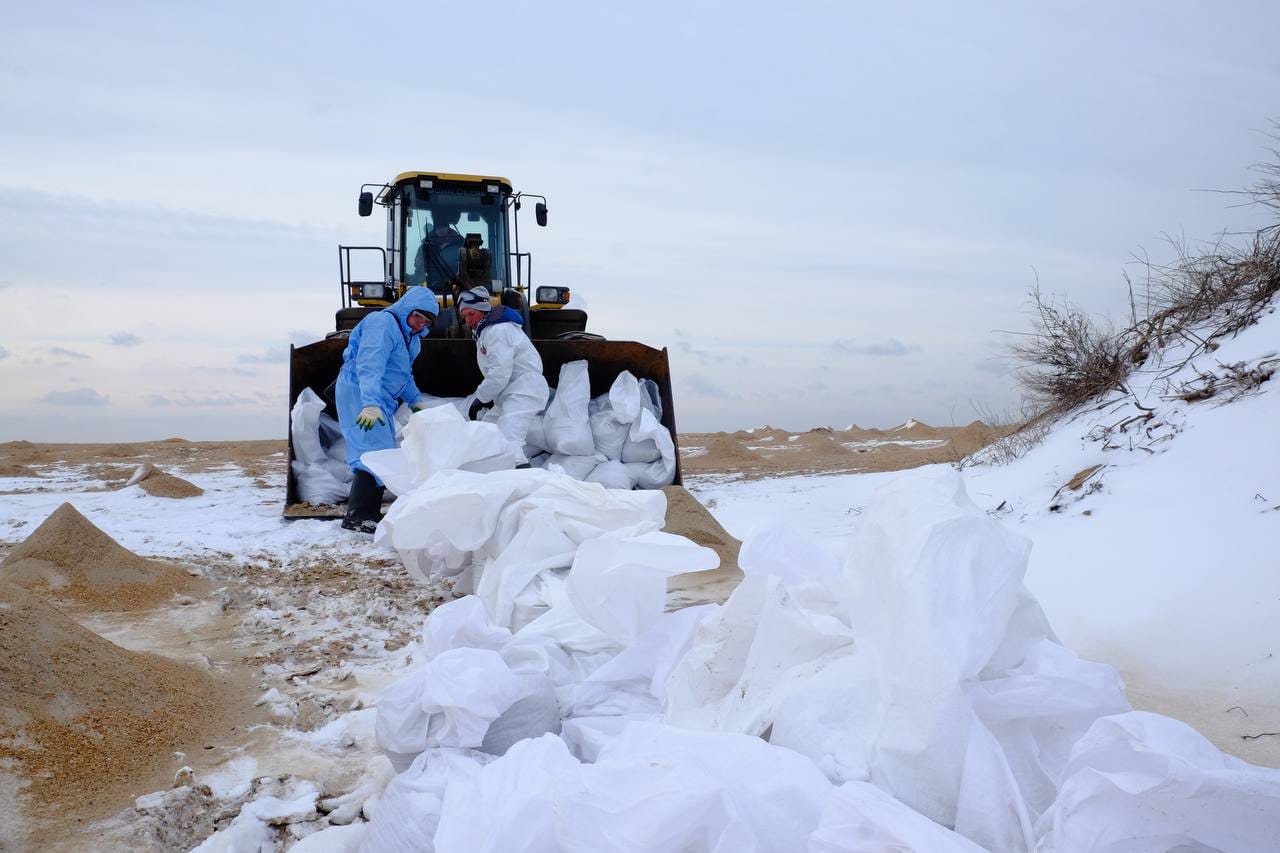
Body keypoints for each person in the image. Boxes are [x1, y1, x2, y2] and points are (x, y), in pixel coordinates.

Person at [335, 287, 439, 532]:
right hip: (361, 392)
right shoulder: (382, 323)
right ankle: (358, 517)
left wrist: (415, 401)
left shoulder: (410, 337)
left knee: (380, 452)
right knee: (372, 452)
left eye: (425, 322)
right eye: (417, 318)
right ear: (407, 308)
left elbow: (402, 374)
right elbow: (370, 364)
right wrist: (370, 403)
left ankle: (368, 513)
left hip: (381, 397)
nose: (418, 325)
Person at [458, 286, 549, 467]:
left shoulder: (499, 331)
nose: (468, 321)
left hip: (525, 390)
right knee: (489, 432)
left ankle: (525, 486)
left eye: (471, 314)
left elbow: (500, 372)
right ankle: (484, 477)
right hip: (510, 392)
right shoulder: (488, 331)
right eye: (465, 316)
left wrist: (481, 398)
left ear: (483, 310)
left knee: (509, 440)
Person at [413, 208, 464, 291]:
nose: (441, 230)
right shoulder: (426, 245)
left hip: (458, 283)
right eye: (438, 228)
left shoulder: (460, 242)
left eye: (443, 227)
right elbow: (418, 265)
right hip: (433, 284)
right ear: (435, 230)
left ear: (448, 228)